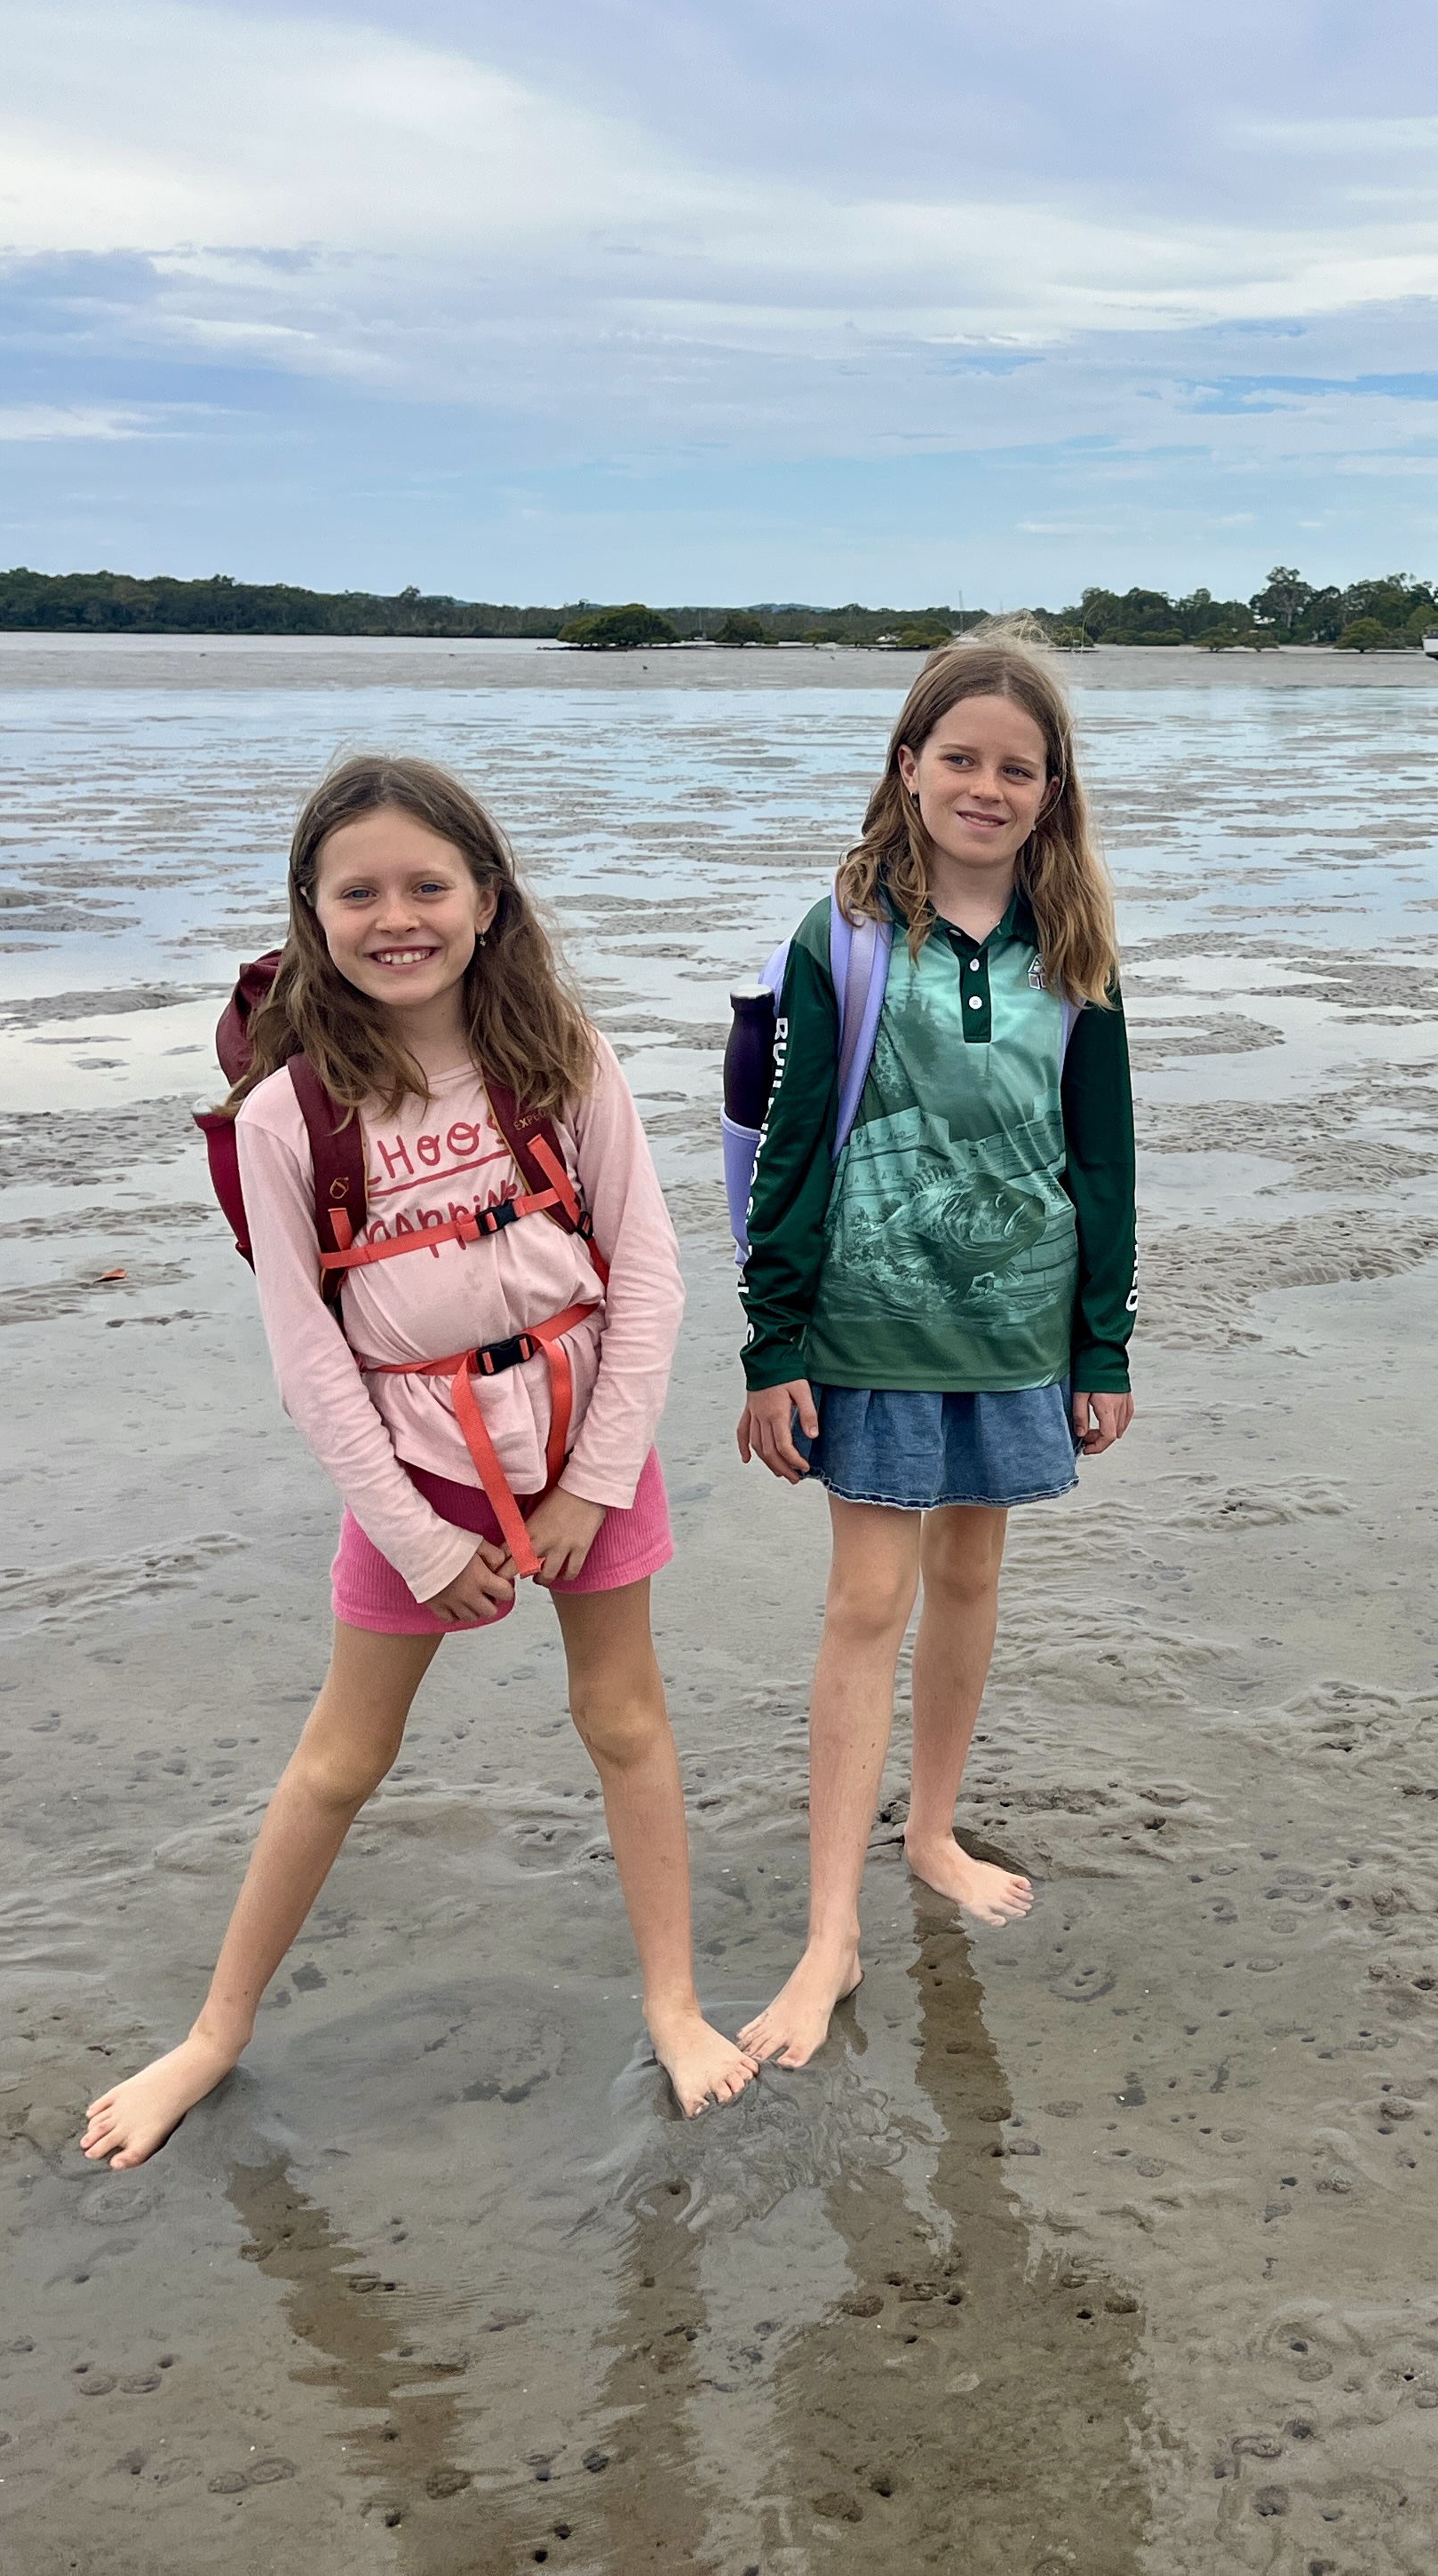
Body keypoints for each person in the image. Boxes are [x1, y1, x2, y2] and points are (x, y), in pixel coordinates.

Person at [83, 754, 751, 2168]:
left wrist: (592, 1480)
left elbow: (650, 1274)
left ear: (488, 901)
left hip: (585, 1441)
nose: (399, 917)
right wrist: (420, 1537)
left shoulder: (559, 1053)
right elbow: (308, 1363)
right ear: (312, 913)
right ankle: (213, 2032)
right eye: (360, 892)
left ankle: (677, 2006)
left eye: (429, 885)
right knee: (342, 1756)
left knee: (624, 1718)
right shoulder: (286, 1117)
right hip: (415, 1468)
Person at [732, 635, 1137, 2069]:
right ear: (907, 768)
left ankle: (937, 1828)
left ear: (1051, 791)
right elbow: (786, 1148)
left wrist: (1105, 1346)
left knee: (972, 1570)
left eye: (1015, 768)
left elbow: (1105, 1162)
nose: (986, 784)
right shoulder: (841, 933)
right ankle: (827, 1926)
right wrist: (770, 1343)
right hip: (868, 1321)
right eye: (957, 757)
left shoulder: (1077, 950)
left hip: (1020, 1326)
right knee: (866, 1600)